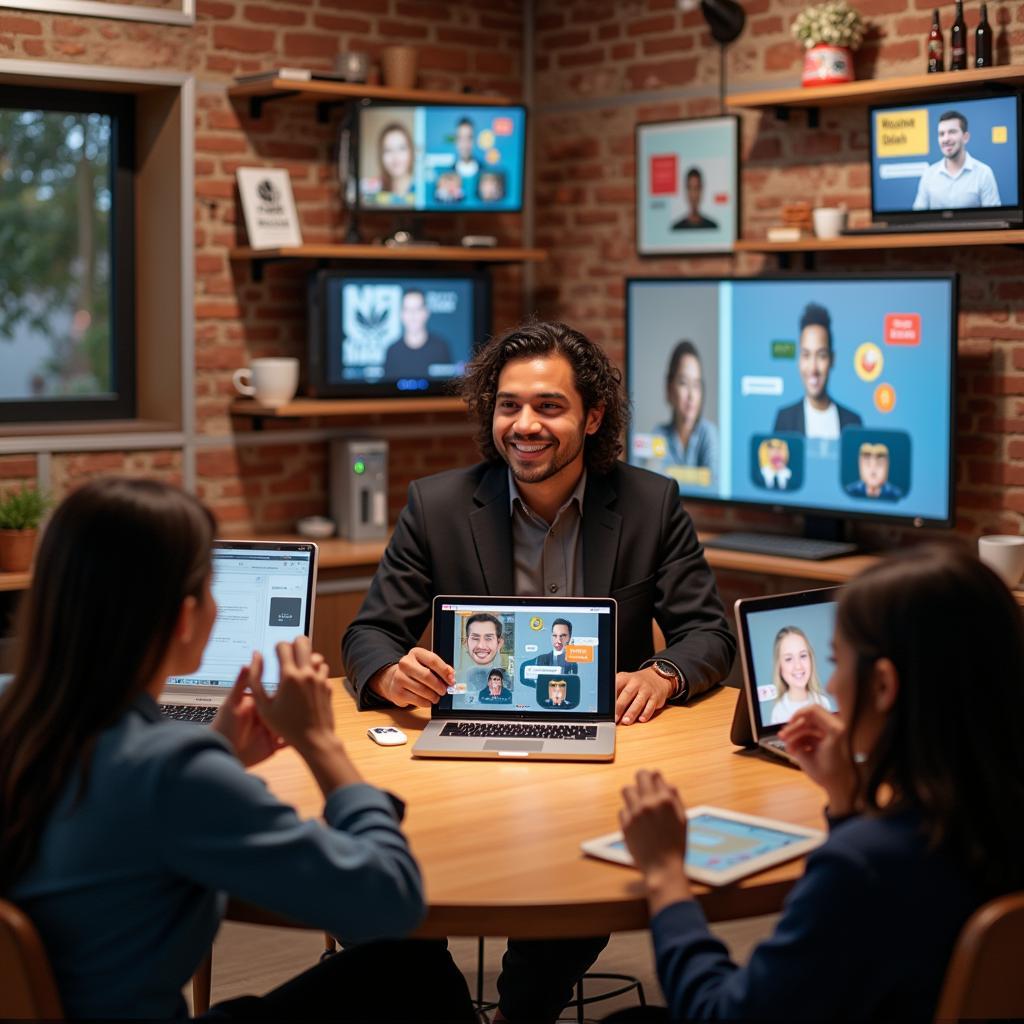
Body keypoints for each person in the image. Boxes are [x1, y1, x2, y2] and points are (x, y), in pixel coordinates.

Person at [343, 318, 735, 1024]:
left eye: (548, 407)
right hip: (457, 761)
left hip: (599, 763)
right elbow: (370, 631)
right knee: (379, 881)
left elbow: (707, 632)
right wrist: (390, 676)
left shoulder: (651, 503)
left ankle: (521, 1013)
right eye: (508, 405)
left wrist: (664, 673)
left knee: (575, 895)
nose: (524, 425)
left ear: (592, 416)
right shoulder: (436, 505)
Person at [0, 478, 474, 1022]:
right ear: (185, 617)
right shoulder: (169, 771)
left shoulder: (22, 715)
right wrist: (320, 746)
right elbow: (391, 901)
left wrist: (216, 753)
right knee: (407, 965)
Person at [615, 543, 1024, 1021]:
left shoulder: (862, 866)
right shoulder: (988, 813)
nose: (829, 687)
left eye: (836, 662)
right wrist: (848, 802)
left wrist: (666, 875)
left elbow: (719, 1014)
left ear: (884, 686)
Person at [773, 303, 863, 440]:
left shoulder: (853, 423)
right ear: (799, 360)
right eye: (806, 355)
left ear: (832, 360)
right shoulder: (784, 420)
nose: (813, 368)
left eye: (821, 355)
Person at [645, 341, 719, 487]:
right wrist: (698, 477)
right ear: (669, 389)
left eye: (696, 385)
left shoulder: (709, 433)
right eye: (684, 383)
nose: (691, 395)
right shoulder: (658, 434)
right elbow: (651, 483)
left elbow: (714, 482)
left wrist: (671, 473)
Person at [913, 110, 1001, 211]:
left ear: (965, 137)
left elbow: (994, 218)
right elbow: (917, 219)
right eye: (941, 134)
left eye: (952, 132)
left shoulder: (984, 173)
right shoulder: (928, 175)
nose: (946, 139)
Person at [768, 625, 835, 725]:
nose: (798, 666)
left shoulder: (823, 703)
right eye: (789, 659)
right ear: (779, 667)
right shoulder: (778, 712)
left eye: (803, 656)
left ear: (810, 659)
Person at [382, 288, 453, 380]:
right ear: (401, 314)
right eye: (408, 310)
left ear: (426, 312)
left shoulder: (441, 348)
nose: (412, 315)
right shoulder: (392, 351)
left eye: (417, 309)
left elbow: (448, 387)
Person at [461, 612, 506, 689]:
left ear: (499, 643)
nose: (481, 646)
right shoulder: (465, 674)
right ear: (466, 643)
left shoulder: (504, 674)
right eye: (475, 638)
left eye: (488, 638)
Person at [376, 122, 415, 206]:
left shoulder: (424, 192)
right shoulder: (375, 195)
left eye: (401, 148)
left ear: (411, 152)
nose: (396, 157)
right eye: (388, 150)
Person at [454, 116, 479, 181]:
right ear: (456, 141)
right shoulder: (447, 174)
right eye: (461, 138)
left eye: (469, 138)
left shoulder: (486, 172)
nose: (465, 144)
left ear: (475, 141)